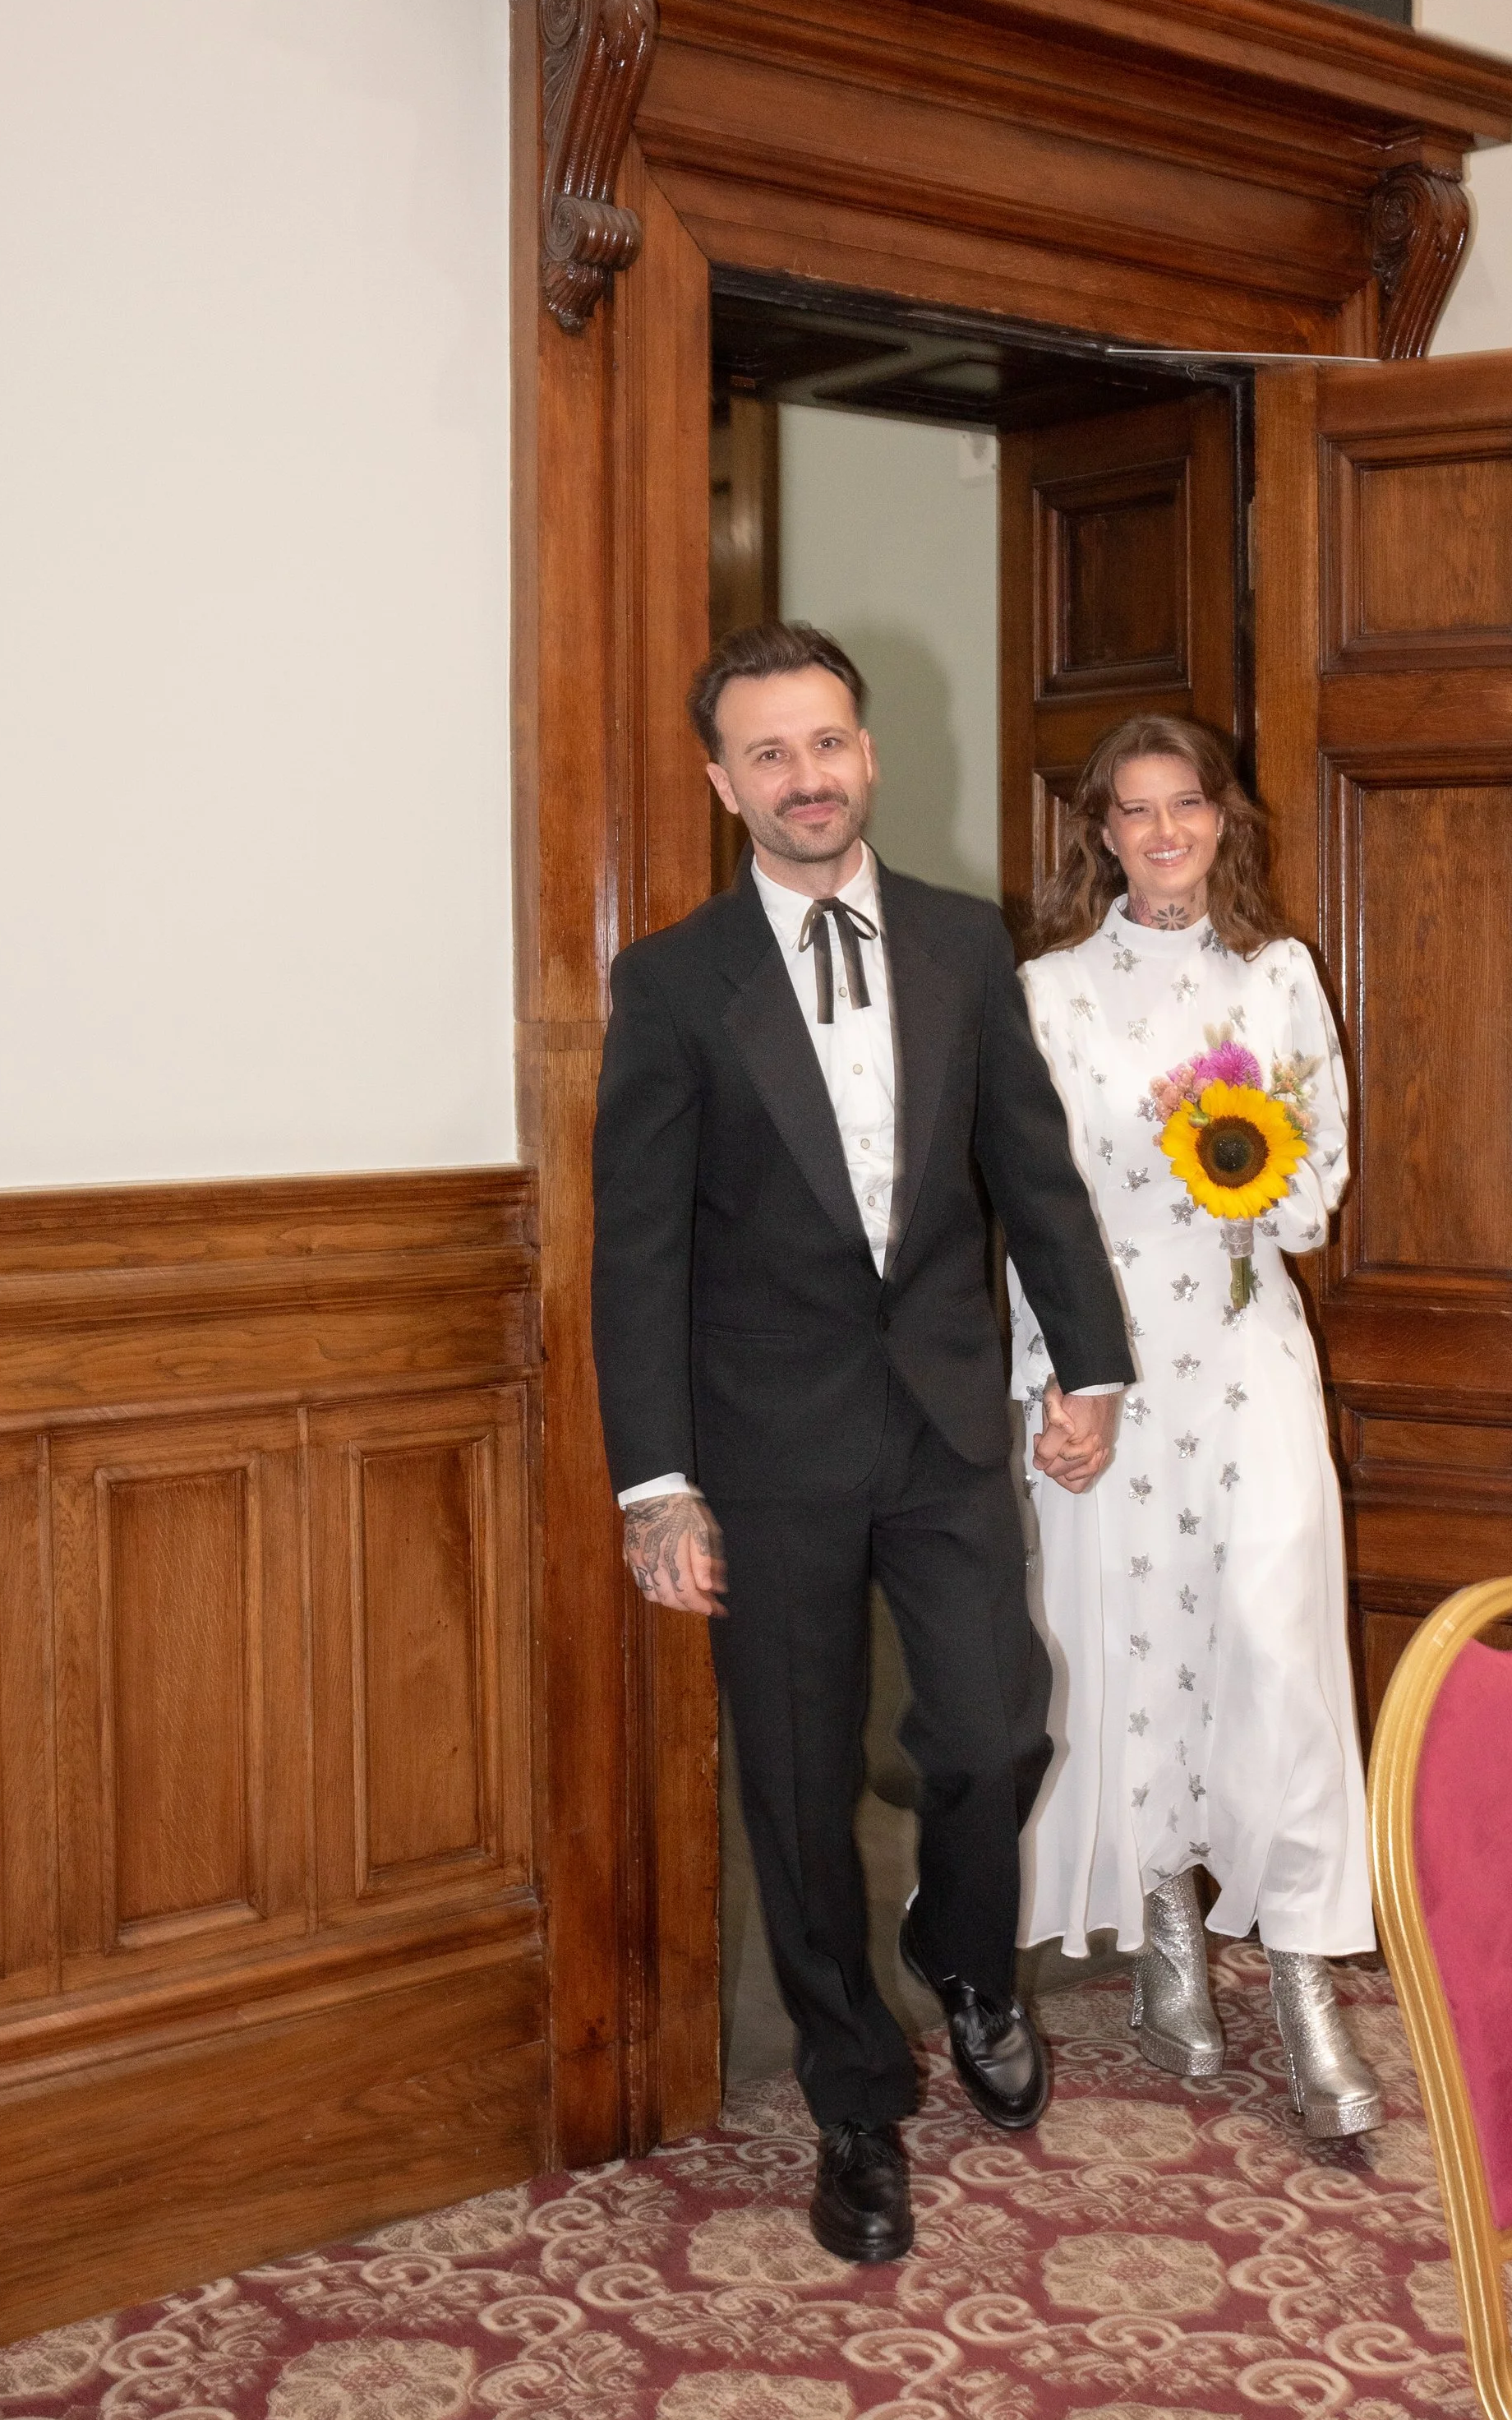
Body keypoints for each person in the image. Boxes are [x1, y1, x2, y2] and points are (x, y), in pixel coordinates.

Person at [591, 619, 1130, 2266]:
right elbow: (640, 1247)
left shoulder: (969, 946)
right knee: (800, 1787)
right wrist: (654, 1483)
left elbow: (1028, 1174)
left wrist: (1087, 1369)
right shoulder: (677, 981)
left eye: (825, 744)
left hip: (948, 1422)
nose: (804, 777)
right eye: (767, 753)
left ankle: (965, 1957)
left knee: (992, 1733)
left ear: (866, 753)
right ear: (720, 781)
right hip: (763, 1446)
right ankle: (849, 2104)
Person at [1011, 713, 1381, 2137]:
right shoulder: (1051, 994)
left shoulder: (1276, 975)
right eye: (1136, 811)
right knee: (1132, 1631)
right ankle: (1169, 1922)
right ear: (1101, 831)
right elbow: (1038, 1209)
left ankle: (1298, 1972)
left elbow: (1312, 1191)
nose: (1164, 834)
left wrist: (1244, 1170)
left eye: (1189, 808)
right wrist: (1060, 1380)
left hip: (1244, 1348)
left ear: (1225, 822)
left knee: (1276, 1638)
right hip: (1110, 1364)